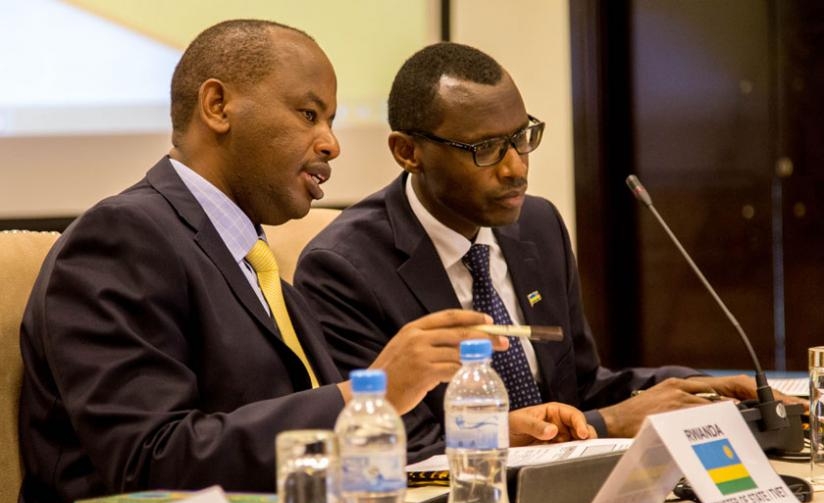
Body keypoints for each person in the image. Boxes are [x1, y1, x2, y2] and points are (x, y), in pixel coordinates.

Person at [16, 22, 592, 503]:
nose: (332, 143)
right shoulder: (122, 238)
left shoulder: (253, 263)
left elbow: (295, 450)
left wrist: (485, 439)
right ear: (217, 106)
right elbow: (150, 464)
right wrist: (369, 397)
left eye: (333, 120)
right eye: (308, 114)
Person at [294, 42, 798, 460]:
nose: (516, 168)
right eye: (486, 149)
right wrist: (605, 426)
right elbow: (403, 449)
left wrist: (692, 389)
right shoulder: (344, 267)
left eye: (522, 138)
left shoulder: (538, 225)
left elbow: (578, 386)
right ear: (408, 153)